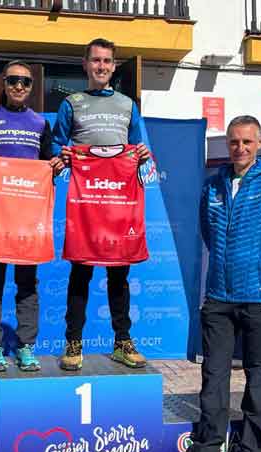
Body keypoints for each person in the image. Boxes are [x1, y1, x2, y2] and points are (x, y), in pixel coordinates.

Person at [167, 116, 261, 452]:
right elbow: (209, 234)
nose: (240, 148)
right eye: (233, 142)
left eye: (247, 141)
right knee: (213, 377)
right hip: (219, 299)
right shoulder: (213, 186)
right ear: (226, 145)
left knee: (258, 379)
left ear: (260, 143)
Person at [52, 38, 151, 371]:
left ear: (113, 65)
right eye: (96, 60)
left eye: (107, 61)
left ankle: (122, 341)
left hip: (119, 204)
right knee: (80, 275)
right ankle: (73, 343)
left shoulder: (127, 104)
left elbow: (140, 149)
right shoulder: (72, 103)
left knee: (118, 276)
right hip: (86, 204)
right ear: (85, 65)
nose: (102, 66)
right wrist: (61, 155)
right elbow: (55, 145)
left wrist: (143, 156)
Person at [0, 60, 63, 372]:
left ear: (32, 87)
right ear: (4, 84)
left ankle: (25, 346)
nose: (19, 87)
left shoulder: (40, 123)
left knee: (27, 284)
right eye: (13, 81)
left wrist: (57, 165)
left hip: (28, 218)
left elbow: (50, 162)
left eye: (25, 81)